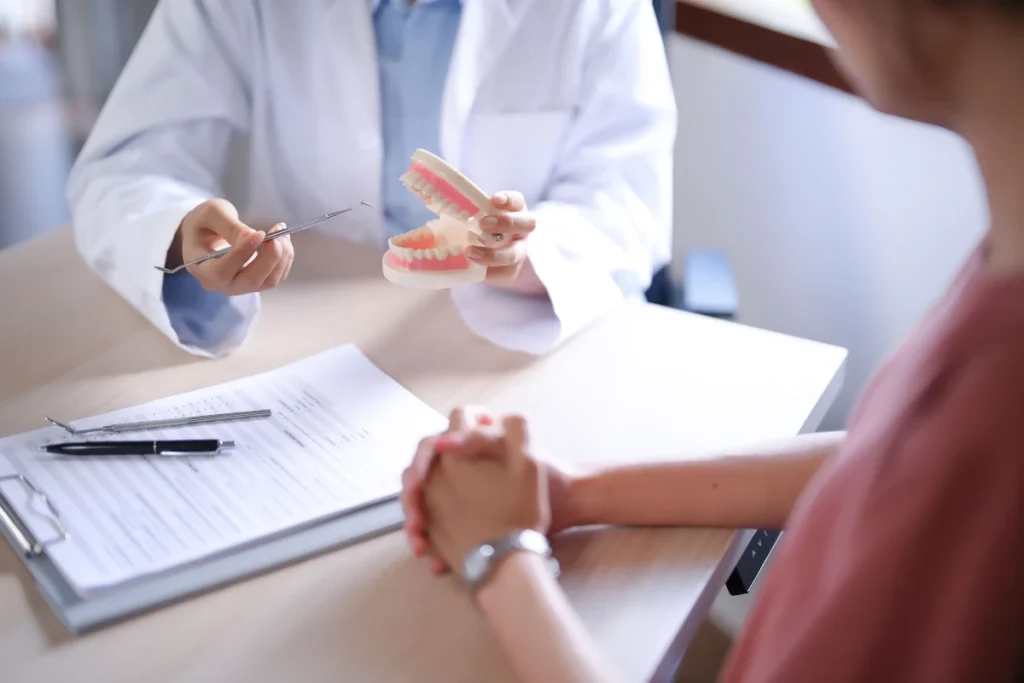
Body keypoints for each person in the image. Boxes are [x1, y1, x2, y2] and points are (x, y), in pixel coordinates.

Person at [399, 0, 1024, 680]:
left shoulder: (994, 417)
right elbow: (884, 454)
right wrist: (575, 491)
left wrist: (502, 556)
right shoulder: (999, 272)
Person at [67, 0, 675, 358]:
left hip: (517, 351)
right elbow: (126, 167)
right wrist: (181, 235)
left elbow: (626, 202)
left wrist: (523, 257)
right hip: (307, 343)